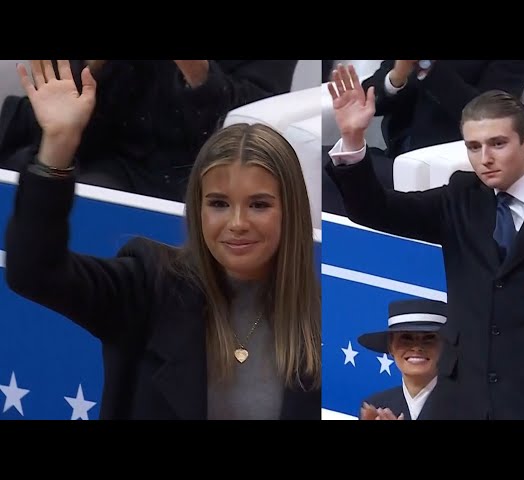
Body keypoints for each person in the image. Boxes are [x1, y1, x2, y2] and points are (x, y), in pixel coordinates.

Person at [4, 60, 321, 420]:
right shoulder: (149, 285)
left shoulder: (324, 313)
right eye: (218, 203)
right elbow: (33, 272)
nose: (237, 223)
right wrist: (58, 145)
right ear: (196, 208)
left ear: (292, 210)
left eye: (259, 205)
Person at [324, 64, 524, 420]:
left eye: (497, 143)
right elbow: (376, 210)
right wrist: (352, 140)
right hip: (459, 404)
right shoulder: (461, 196)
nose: (484, 158)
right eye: (473, 146)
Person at [0, 59, 298, 202]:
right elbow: (47, 116)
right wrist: (94, 66)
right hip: (105, 154)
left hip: (206, 170)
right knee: (24, 175)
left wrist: (197, 73)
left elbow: (255, 127)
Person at [322, 60, 524, 215]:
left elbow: (488, 115)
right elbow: (374, 100)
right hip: (396, 155)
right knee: (325, 162)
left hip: (443, 171)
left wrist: (428, 67)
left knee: (341, 173)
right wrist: (397, 77)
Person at [358, 298, 445, 421]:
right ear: (390, 346)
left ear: (446, 346)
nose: (417, 347)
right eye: (406, 338)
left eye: (429, 338)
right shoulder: (376, 405)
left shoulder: (472, 405)